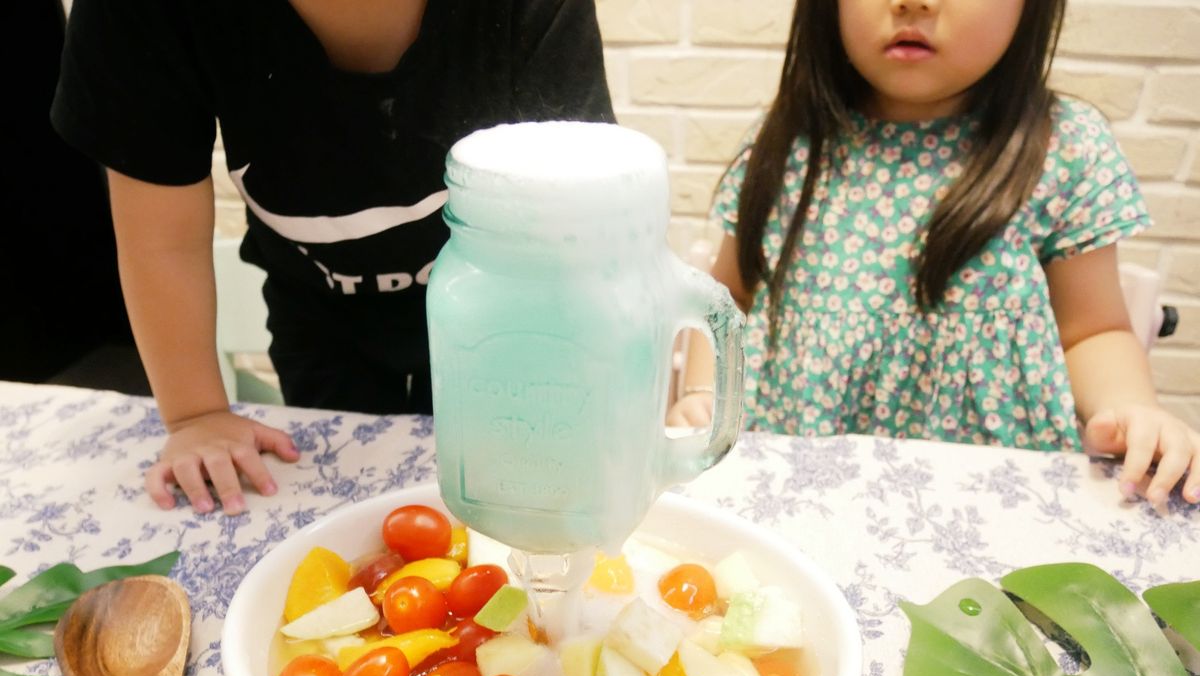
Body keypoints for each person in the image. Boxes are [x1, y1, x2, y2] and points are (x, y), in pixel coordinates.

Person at [51, 0, 615, 515]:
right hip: (320, 314)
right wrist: (196, 417)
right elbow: (161, 241)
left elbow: (576, 226)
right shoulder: (139, 14)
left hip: (509, 321)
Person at [666, 0, 1200, 509]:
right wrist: (703, 393)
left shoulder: (1065, 146)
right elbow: (726, 297)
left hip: (988, 492)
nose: (912, 3)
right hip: (800, 479)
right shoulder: (788, 141)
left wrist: (1134, 410)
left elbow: (1091, 330)